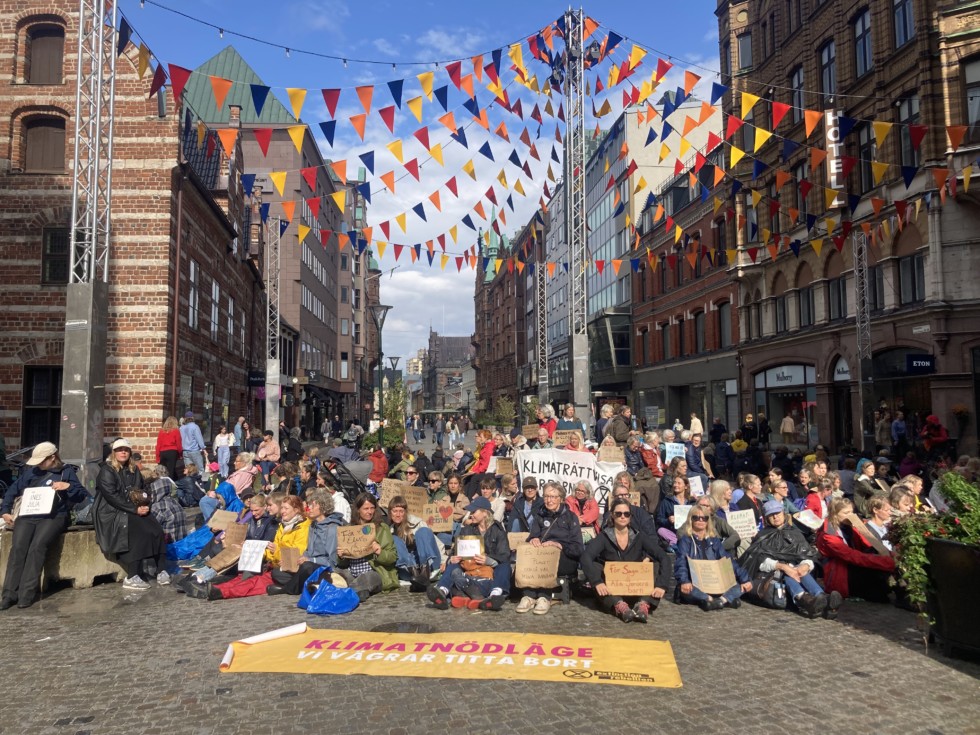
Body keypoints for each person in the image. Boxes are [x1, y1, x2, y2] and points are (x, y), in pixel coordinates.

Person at [0, 442, 88, 609]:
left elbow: (82, 495)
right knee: (18, 548)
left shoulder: (66, 472)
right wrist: (5, 510)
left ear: (52, 458)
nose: (39, 465)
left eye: (42, 461)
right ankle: (9, 594)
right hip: (28, 514)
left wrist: (68, 486)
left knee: (37, 546)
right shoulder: (31, 472)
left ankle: (26, 594)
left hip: (54, 516)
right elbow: (13, 490)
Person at [739, 500, 841, 619]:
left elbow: (807, 555)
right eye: (771, 515)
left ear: (783, 513)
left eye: (777, 513)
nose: (775, 517)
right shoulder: (763, 536)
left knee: (801, 571)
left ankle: (821, 598)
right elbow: (758, 561)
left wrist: (806, 565)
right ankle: (805, 599)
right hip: (773, 576)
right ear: (766, 518)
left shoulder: (794, 533)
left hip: (797, 571)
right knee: (787, 573)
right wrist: (782, 566)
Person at [93, 438, 168, 591]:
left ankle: (161, 569)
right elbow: (112, 497)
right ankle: (132, 576)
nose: (123, 452)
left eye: (126, 450)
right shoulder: (107, 471)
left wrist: (144, 504)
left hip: (132, 508)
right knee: (138, 530)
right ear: (114, 453)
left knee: (156, 528)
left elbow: (143, 489)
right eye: (119, 450)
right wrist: (134, 510)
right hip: (110, 511)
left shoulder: (133, 470)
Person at [581, 497, 670, 622]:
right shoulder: (604, 536)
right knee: (596, 566)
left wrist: (662, 585)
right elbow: (586, 557)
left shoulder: (639, 536)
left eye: (626, 514)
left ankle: (643, 604)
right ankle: (619, 605)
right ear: (612, 515)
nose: (623, 517)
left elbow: (663, 556)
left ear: (630, 517)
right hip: (612, 591)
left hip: (637, 587)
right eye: (618, 514)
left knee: (654, 565)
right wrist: (597, 582)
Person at [427, 496, 512, 611]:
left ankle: (494, 595)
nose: (471, 515)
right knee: (453, 565)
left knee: (505, 566)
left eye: (474, 512)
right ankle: (442, 591)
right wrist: (451, 559)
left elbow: (505, 555)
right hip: (469, 567)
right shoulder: (467, 529)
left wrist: (488, 559)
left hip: (488, 568)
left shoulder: (497, 530)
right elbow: (455, 551)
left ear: (485, 513)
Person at [514, 482, 583, 615]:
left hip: (565, 557)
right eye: (546, 496)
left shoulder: (571, 517)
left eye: (553, 497)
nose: (549, 500)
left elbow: (578, 548)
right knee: (526, 558)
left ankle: (544, 597)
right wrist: (533, 539)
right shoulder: (540, 515)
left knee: (549, 560)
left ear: (560, 499)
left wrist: (559, 545)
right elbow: (532, 536)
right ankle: (528, 596)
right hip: (542, 554)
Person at [817, 498, 896, 603]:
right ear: (835, 514)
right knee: (880, 594)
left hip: (853, 565)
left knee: (873, 553)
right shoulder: (828, 534)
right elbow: (851, 555)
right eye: (846, 513)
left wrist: (890, 554)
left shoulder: (848, 526)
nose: (850, 515)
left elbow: (869, 544)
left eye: (851, 512)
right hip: (841, 572)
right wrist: (885, 562)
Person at [267, 490, 344, 596]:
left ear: (322, 507)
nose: (309, 508)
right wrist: (295, 560)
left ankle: (288, 588)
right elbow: (308, 551)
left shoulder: (332, 528)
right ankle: (307, 585)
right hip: (308, 565)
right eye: (309, 505)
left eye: (313, 505)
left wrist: (310, 560)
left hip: (324, 568)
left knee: (307, 567)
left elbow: (332, 560)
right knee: (277, 572)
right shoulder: (313, 525)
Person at [674, 506, 752, 610]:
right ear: (690, 519)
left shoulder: (714, 540)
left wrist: (744, 579)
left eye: (704, 518)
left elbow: (727, 561)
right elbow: (681, 562)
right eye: (696, 517)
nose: (701, 520)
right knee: (687, 589)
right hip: (694, 582)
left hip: (714, 582)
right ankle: (721, 599)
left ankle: (717, 601)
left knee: (743, 585)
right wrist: (684, 581)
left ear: (708, 521)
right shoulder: (685, 540)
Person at [335, 493, 398, 600]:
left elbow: (392, 557)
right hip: (352, 572)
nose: (370, 512)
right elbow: (343, 564)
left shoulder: (382, 528)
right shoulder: (349, 529)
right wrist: (341, 556)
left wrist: (380, 552)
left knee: (366, 578)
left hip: (375, 572)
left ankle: (349, 593)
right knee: (335, 574)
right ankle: (358, 591)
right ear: (358, 510)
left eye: (372, 508)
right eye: (366, 508)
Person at [386, 495, 442, 591]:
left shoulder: (417, 522)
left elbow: (436, 542)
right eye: (395, 511)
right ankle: (416, 576)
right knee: (394, 539)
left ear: (405, 512)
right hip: (408, 569)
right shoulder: (388, 531)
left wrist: (445, 561)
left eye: (401, 511)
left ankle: (424, 574)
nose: (398, 514)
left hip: (429, 563)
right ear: (390, 513)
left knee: (423, 531)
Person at [146, 464, 189, 542]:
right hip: (181, 543)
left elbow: (149, 529)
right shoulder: (174, 502)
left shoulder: (157, 507)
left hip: (169, 545)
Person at [655, 474, 692, 549]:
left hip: (688, 531)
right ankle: (675, 543)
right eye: (674, 483)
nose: (675, 485)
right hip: (673, 532)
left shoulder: (691, 502)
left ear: (686, 486)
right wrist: (668, 520)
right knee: (661, 530)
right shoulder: (667, 501)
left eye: (679, 483)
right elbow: (659, 519)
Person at [154, 416, 183, 480]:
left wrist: (157, 457)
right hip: (172, 452)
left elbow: (158, 445)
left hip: (162, 452)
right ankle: (170, 483)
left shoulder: (161, 431)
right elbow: (179, 444)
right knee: (171, 471)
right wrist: (180, 455)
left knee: (163, 471)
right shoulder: (176, 431)